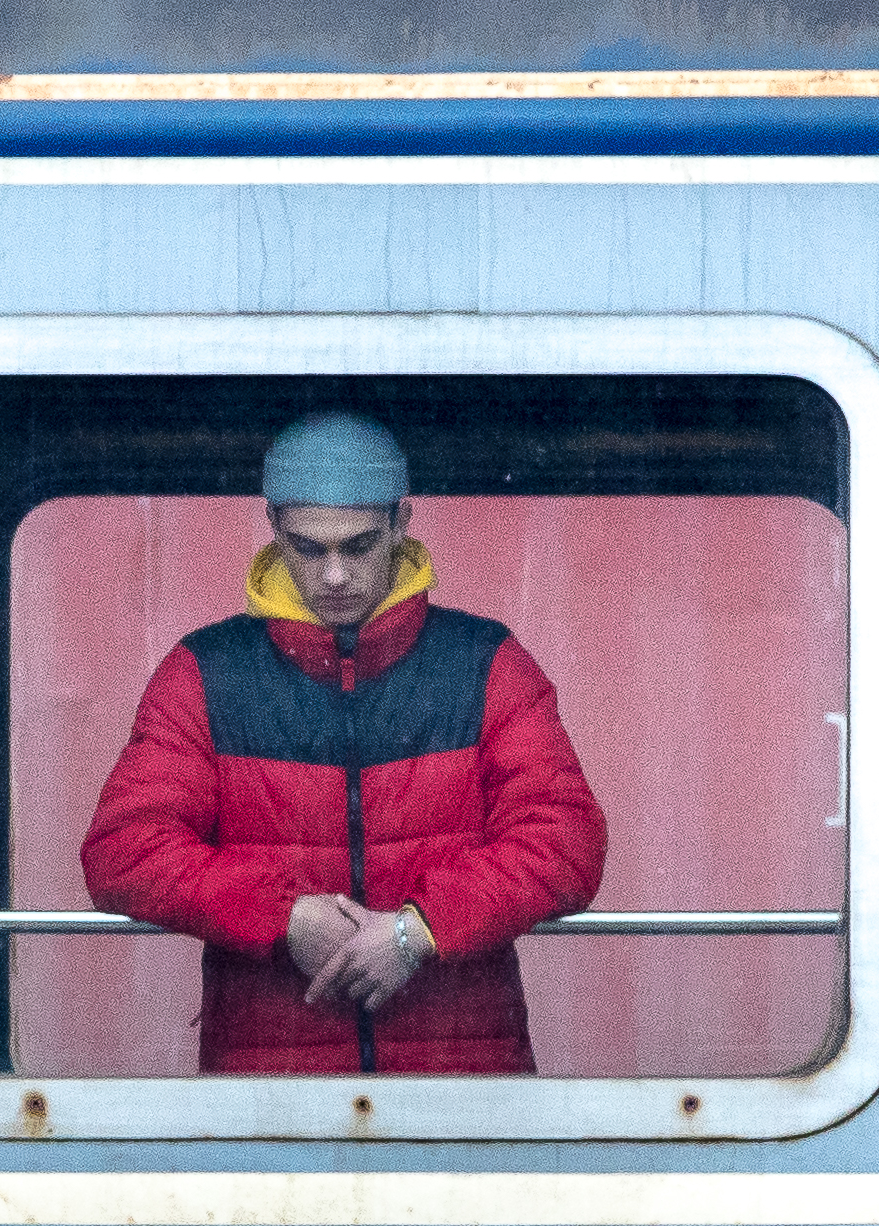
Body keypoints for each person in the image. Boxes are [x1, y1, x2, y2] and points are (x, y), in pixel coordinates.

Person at [80, 412, 608, 1076]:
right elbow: (123, 850)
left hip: (460, 1082)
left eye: (357, 546)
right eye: (308, 548)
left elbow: (565, 839)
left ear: (400, 522)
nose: (334, 575)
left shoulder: (486, 663)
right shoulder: (204, 673)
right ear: (273, 527)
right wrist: (284, 917)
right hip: (273, 1092)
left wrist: (416, 933)